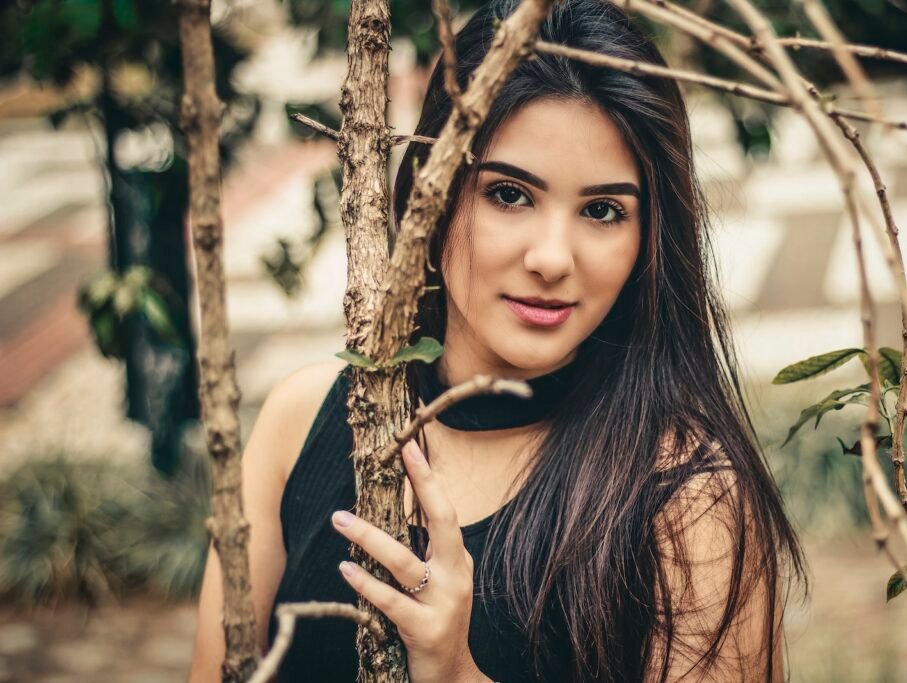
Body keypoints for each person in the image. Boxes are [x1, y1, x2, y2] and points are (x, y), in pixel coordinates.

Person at [187, 0, 805, 681]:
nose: (551, 257)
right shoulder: (297, 422)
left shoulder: (687, 497)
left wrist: (457, 671)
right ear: (432, 190)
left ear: (649, 237)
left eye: (602, 211)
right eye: (510, 194)